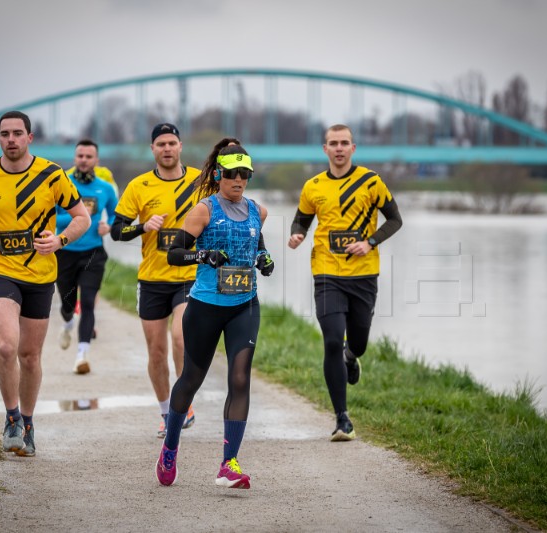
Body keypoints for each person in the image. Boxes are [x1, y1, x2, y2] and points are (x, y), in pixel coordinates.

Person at [0, 110, 90, 457]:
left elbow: (82, 218)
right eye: (5, 134)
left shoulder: (51, 174)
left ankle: (28, 423)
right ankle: (12, 416)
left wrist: (60, 241)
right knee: (6, 347)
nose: (11, 139)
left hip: (40, 275)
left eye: (18, 133)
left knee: (30, 356)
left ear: (30, 138)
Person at [155, 140, 274, 489]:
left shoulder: (258, 211)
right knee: (191, 378)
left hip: (244, 306)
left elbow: (257, 242)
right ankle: (171, 447)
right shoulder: (203, 210)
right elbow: (175, 253)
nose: (239, 180)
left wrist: (265, 260)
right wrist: (203, 256)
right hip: (205, 307)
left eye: (245, 175)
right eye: (233, 174)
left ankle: (229, 463)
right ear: (220, 174)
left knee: (240, 378)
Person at [287, 124, 402, 442]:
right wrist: (297, 234)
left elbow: (395, 220)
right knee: (332, 341)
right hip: (327, 274)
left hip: (364, 275)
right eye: (333, 143)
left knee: (359, 341)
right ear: (325, 149)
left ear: (353, 148)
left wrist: (370, 242)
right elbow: (302, 218)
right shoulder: (313, 186)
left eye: (344, 143)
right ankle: (342, 418)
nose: (339, 148)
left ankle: (353, 357)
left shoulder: (371, 181)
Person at [110, 123, 201, 438]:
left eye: (172, 143)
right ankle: (166, 413)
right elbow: (116, 230)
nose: (167, 148)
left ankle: (182, 404)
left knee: (181, 338)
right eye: (161, 143)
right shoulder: (139, 186)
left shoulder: (200, 182)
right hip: (151, 279)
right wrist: (143, 227)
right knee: (157, 352)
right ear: (153, 149)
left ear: (180, 146)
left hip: (190, 276)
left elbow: (222, 212)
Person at [55, 139, 118, 374]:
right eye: (80, 156)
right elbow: (50, 217)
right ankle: (68, 321)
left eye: (88, 156)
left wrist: (108, 225)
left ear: (96, 161)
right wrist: (79, 218)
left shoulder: (105, 188)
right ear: (75, 158)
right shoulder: (61, 184)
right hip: (64, 252)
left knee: (89, 302)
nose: (83, 160)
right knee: (67, 304)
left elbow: (115, 214)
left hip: (93, 253)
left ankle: (81, 355)